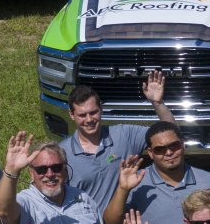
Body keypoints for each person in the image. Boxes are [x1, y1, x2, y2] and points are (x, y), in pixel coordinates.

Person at [60, 74, 177, 207]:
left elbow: (171, 134)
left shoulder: (124, 135)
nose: (89, 120)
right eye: (82, 115)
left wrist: (158, 103)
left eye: (93, 112)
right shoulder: (62, 153)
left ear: (101, 109)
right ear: (71, 115)